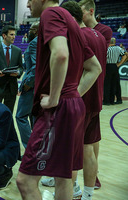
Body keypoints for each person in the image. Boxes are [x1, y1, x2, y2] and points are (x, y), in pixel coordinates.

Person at [16, 0, 101, 199]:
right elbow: (94, 68)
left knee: (25, 181)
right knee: (63, 178)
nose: (27, 3)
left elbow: (61, 55)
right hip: (73, 104)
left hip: (58, 107)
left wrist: (55, 98)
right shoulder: (74, 25)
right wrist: (74, 94)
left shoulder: (50, 14)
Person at [41, 2, 107, 200]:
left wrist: (73, 93)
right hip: (96, 100)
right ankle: (87, 193)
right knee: (89, 148)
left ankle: (74, 188)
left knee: (72, 152)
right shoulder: (100, 36)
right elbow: (98, 68)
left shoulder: (77, 35)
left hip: (80, 100)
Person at [78, 0, 113, 189]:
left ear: (91, 11)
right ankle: (90, 179)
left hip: (92, 87)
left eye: (81, 12)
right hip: (90, 88)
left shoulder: (103, 31)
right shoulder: (94, 34)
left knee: (89, 140)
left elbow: (92, 61)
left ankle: (88, 176)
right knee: (89, 139)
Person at [0, 25, 23, 113]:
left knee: (8, 114)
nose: (14, 37)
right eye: (11, 34)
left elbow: (21, 67)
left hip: (12, 88)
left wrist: (18, 73)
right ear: (4, 35)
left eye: (14, 35)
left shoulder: (17, 51)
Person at [16, 21, 39, 149]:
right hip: (39, 86)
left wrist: (28, 83)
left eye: (31, 29)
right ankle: (37, 147)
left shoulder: (35, 42)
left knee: (20, 116)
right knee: (33, 117)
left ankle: (30, 148)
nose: (28, 31)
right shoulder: (45, 41)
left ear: (35, 31)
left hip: (31, 86)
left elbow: (36, 67)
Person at [104, 38, 127, 105]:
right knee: (114, 84)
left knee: (107, 84)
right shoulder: (118, 48)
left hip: (108, 66)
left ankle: (106, 101)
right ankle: (112, 101)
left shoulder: (107, 49)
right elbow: (125, 55)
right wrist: (119, 64)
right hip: (115, 66)